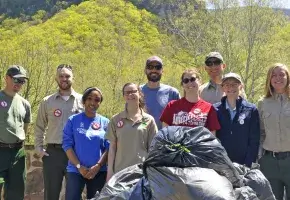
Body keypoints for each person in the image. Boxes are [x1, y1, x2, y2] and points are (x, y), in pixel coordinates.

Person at [34, 64, 83, 200]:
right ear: (56, 78)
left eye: (67, 76)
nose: (64, 79)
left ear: (73, 78)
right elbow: (39, 127)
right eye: (61, 76)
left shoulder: (83, 101)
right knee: (51, 194)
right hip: (53, 153)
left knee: (74, 194)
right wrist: (39, 149)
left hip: (75, 153)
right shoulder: (47, 101)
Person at [62, 87, 109, 200]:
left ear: (100, 103)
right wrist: (79, 166)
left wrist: (98, 166)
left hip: (98, 171)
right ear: (83, 101)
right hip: (76, 170)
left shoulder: (106, 122)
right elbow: (67, 145)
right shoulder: (73, 120)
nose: (93, 102)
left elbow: (109, 148)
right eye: (89, 98)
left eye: (97, 100)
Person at [106, 83, 158, 181]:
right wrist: (110, 171)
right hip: (120, 172)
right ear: (124, 96)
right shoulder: (115, 119)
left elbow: (153, 148)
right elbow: (112, 148)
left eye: (133, 91)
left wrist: (151, 170)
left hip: (141, 171)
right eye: (127, 93)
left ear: (139, 94)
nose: (130, 95)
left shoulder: (149, 120)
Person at [258, 63, 290, 200]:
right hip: (269, 161)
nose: (278, 78)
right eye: (274, 75)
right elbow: (261, 132)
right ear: (269, 80)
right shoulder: (263, 103)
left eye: (281, 74)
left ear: (288, 77)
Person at [213, 72, 260, 167]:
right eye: (227, 85)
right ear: (223, 88)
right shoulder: (215, 109)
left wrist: (248, 163)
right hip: (222, 163)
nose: (230, 87)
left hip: (244, 164)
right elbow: (213, 138)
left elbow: (254, 140)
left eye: (234, 84)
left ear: (241, 86)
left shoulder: (251, 109)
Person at [0, 65, 31, 200]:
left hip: (18, 153)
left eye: (22, 81)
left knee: (16, 193)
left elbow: (25, 127)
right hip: (1, 150)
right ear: (7, 78)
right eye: (16, 80)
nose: (19, 84)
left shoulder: (25, 104)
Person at [160, 68, 220, 135]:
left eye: (192, 79)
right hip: (176, 144)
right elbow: (165, 133)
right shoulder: (172, 106)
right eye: (186, 81)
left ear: (200, 81)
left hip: (199, 145)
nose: (189, 83)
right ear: (182, 85)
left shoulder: (209, 108)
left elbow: (212, 136)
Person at [141, 56, 180, 130]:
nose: (154, 70)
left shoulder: (172, 93)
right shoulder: (137, 92)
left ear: (162, 70)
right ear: (145, 70)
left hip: (166, 139)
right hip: (143, 138)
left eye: (158, 67)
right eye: (150, 67)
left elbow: (180, 118)